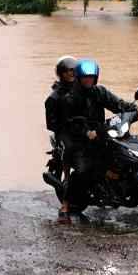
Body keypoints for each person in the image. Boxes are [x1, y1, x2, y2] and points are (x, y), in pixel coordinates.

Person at [61, 58, 138, 216]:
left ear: (95, 78)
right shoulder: (71, 98)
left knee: (123, 152)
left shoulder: (99, 91)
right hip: (80, 139)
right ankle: (66, 205)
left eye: (91, 77)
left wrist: (136, 110)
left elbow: (117, 104)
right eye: (85, 77)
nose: (88, 80)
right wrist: (86, 132)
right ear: (80, 78)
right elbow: (70, 122)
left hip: (101, 133)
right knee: (84, 170)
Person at [45, 55, 77, 219]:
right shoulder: (54, 98)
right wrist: (69, 125)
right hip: (65, 134)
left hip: (85, 129)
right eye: (68, 71)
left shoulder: (84, 88)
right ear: (61, 73)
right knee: (69, 154)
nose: (72, 73)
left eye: (74, 70)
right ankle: (65, 203)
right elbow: (51, 124)